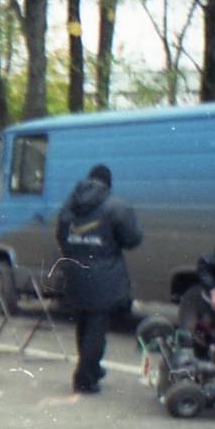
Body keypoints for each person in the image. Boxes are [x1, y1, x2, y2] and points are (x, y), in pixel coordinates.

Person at [55, 163, 143, 394]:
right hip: (104, 275)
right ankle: (84, 378)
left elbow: (61, 236)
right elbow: (133, 239)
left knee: (83, 323)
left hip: (75, 272)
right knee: (96, 327)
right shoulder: (116, 206)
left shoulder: (69, 205)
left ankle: (91, 368)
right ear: (108, 183)